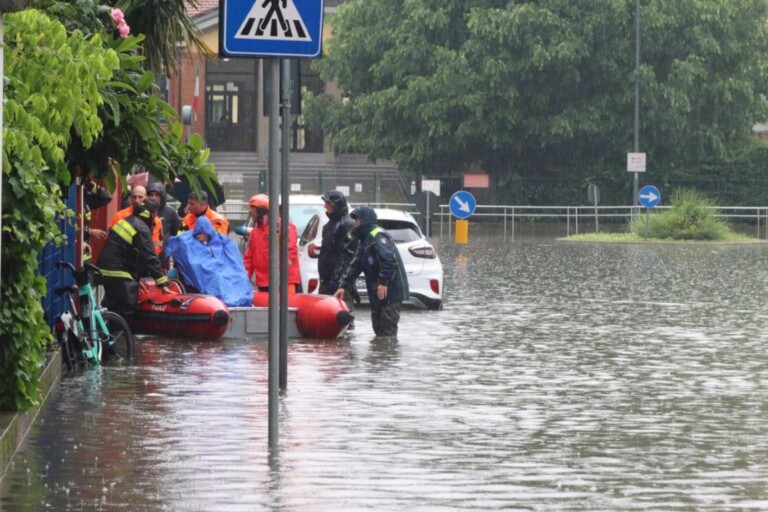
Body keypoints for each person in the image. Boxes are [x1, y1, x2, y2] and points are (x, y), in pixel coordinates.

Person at [334, 206, 409, 337]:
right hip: (376, 292)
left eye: (356, 219)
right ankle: (380, 355)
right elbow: (356, 265)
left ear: (364, 220)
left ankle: (388, 355)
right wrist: (343, 286)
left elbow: (389, 260)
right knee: (377, 326)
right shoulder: (364, 240)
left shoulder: (377, 235)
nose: (354, 223)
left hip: (389, 291)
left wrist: (383, 282)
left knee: (387, 329)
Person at [98, 200, 171, 318]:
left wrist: (137, 278)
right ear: (153, 214)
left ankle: (111, 333)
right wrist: (163, 284)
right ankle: (122, 335)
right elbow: (150, 256)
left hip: (107, 269)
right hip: (119, 271)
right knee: (127, 308)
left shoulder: (128, 220)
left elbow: (130, 254)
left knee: (113, 307)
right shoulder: (141, 227)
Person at [164, 216, 253, 307]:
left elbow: (232, 253)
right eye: (197, 233)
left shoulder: (220, 240)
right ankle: (224, 299)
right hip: (210, 271)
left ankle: (236, 298)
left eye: (201, 233)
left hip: (223, 267)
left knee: (239, 275)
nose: (199, 236)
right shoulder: (187, 240)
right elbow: (174, 244)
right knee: (216, 277)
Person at [243, 194, 301, 292]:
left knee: (286, 305)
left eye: (253, 210)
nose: (251, 213)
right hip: (263, 283)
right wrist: (242, 279)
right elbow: (248, 259)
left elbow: (289, 251)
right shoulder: (255, 233)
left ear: (261, 211)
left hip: (284, 281)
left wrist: (281, 274)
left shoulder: (283, 227)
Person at [318, 191, 359, 308]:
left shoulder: (346, 225)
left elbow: (347, 255)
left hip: (339, 283)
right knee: (325, 315)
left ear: (336, 205)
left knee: (342, 317)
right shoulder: (330, 224)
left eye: (327, 203)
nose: (325, 206)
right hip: (327, 280)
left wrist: (338, 279)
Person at [110, 185, 163, 255]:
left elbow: (157, 245)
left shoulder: (155, 219)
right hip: (122, 258)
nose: (136, 200)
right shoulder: (119, 216)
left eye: (140, 197)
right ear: (130, 198)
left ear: (146, 198)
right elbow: (112, 240)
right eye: (134, 197)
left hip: (145, 259)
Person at [146, 182, 180, 258]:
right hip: (146, 252)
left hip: (163, 254)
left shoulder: (171, 212)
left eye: (157, 195)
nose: (153, 198)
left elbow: (174, 232)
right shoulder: (143, 211)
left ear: (162, 197)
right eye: (151, 195)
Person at [82, 178, 112, 263]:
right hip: (77, 246)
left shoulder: (85, 197)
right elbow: (73, 226)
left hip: (85, 247)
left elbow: (106, 197)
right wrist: (90, 231)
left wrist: (90, 184)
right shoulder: (74, 198)